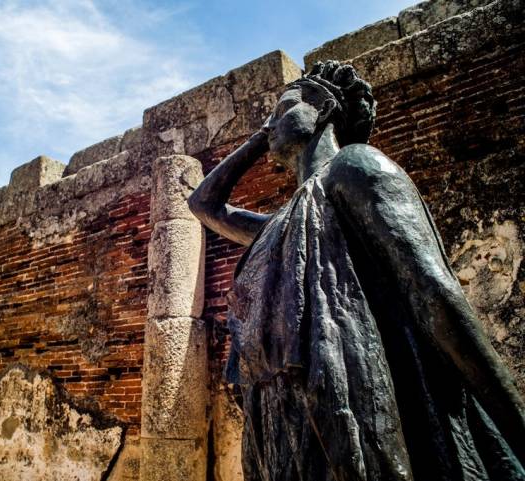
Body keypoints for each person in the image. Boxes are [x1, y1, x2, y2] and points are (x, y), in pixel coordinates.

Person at [188, 60, 525, 481]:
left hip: (353, 399)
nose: (270, 124)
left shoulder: (356, 167)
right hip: (286, 416)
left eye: (283, 109)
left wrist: (515, 425)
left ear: (324, 108)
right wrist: (264, 135)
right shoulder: (282, 220)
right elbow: (204, 206)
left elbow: (434, 293)